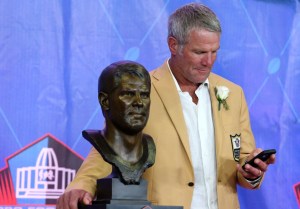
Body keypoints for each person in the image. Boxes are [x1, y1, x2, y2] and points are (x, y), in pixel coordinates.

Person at [56, 3, 276, 209]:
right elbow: (112, 146)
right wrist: (81, 185)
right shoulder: (142, 90)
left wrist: (252, 171)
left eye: (215, 51)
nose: (209, 61)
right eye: (199, 52)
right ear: (173, 45)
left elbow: (244, 165)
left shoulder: (233, 94)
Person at [81, 60, 155, 185]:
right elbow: (90, 172)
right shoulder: (100, 143)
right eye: (128, 94)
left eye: (144, 95)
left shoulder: (149, 146)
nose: (139, 103)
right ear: (105, 101)